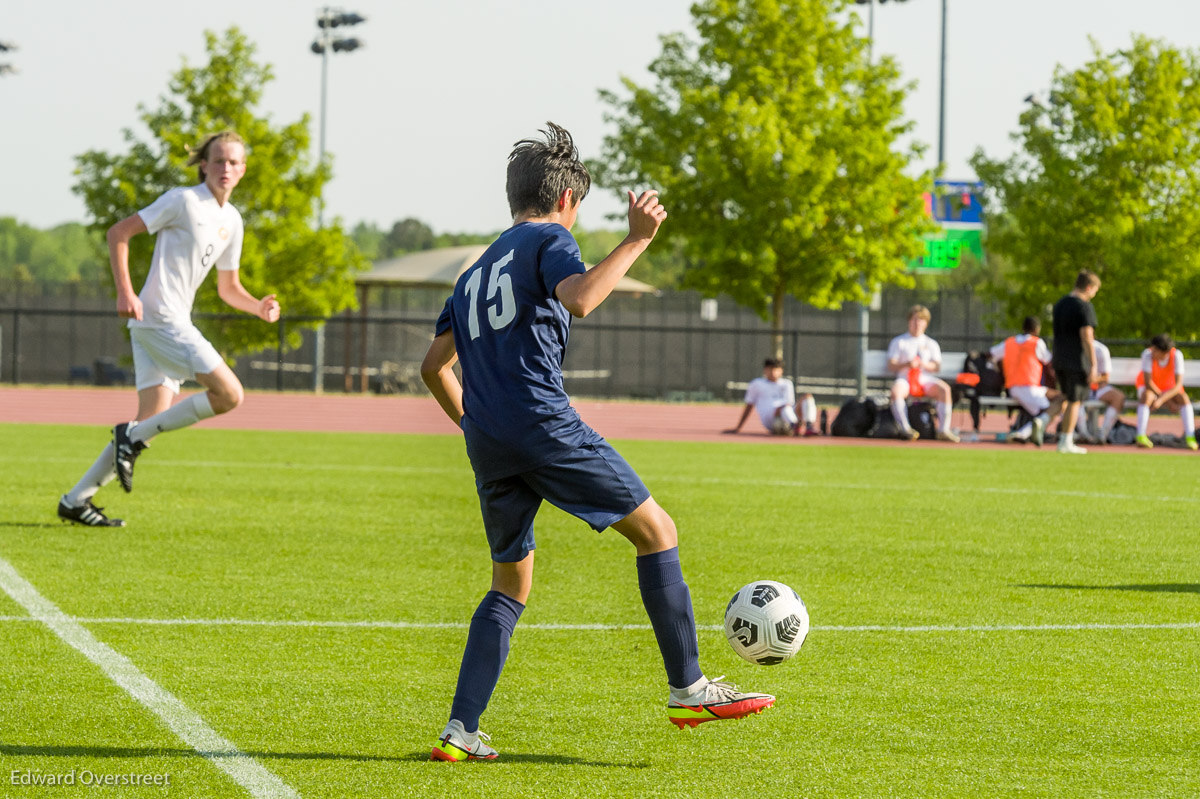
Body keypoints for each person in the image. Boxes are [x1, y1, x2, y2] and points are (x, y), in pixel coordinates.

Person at [420, 123, 773, 763]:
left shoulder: (472, 275)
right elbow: (581, 298)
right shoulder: (550, 239)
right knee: (657, 531)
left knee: (509, 583)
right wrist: (637, 239)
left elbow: (433, 367)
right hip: (540, 421)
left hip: (490, 442)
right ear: (564, 200)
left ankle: (460, 730)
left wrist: (477, 424)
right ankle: (689, 686)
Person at [56, 131, 280, 527]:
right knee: (229, 394)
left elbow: (228, 288)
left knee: (149, 425)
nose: (225, 168)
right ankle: (128, 437)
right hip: (160, 318)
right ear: (204, 165)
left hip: (161, 323)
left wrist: (258, 307)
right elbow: (118, 233)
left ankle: (76, 499)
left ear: (243, 169)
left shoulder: (232, 220)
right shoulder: (183, 200)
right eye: (218, 160)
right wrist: (125, 291)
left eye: (233, 162)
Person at [886, 305, 959, 442]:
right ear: (909, 321)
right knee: (896, 391)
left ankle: (943, 430)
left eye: (921, 320)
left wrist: (923, 364)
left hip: (924, 379)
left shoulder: (931, 343)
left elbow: (936, 366)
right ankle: (906, 429)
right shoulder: (899, 342)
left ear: (926, 323)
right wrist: (907, 364)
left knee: (945, 389)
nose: (917, 323)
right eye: (914, 320)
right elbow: (891, 364)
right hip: (905, 379)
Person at [1047, 269, 1101, 454]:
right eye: (1094, 291)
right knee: (1074, 400)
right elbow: (1087, 336)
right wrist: (1093, 365)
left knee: (1066, 397)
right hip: (1076, 360)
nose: (1093, 295)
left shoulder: (1060, 304)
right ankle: (1066, 441)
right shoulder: (1083, 306)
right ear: (1088, 287)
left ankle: (1042, 422)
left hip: (1059, 358)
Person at [989, 316, 1063, 445]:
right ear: (1036, 329)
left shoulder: (1009, 342)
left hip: (1013, 386)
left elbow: (991, 355)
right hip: (1028, 386)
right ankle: (1023, 433)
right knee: (1050, 409)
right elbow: (1049, 361)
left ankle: (1025, 432)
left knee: (1058, 398)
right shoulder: (1036, 343)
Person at [724, 357, 818, 436]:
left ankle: (808, 426)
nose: (774, 372)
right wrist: (738, 427)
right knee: (784, 408)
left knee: (807, 397)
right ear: (765, 370)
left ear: (781, 371)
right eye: (771, 369)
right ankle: (795, 426)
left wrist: (801, 404)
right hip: (770, 419)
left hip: (787, 415)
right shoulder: (757, 384)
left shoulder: (787, 384)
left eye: (776, 369)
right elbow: (749, 406)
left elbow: (791, 404)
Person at [1133, 334, 1197, 450]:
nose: (1152, 352)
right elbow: (1148, 383)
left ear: (1165, 352)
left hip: (1168, 389)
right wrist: (1168, 403)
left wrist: (1162, 400)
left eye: (1156, 350)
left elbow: (1178, 385)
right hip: (1150, 389)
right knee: (1147, 396)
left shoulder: (1177, 356)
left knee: (1184, 398)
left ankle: (1190, 437)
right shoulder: (1147, 355)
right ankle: (1141, 435)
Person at [1074, 339, 1124, 444]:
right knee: (1073, 396)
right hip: (1080, 388)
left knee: (1119, 397)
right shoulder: (1073, 347)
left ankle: (1103, 434)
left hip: (1098, 389)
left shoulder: (1101, 350)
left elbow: (1105, 376)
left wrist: (1093, 379)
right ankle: (1084, 434)